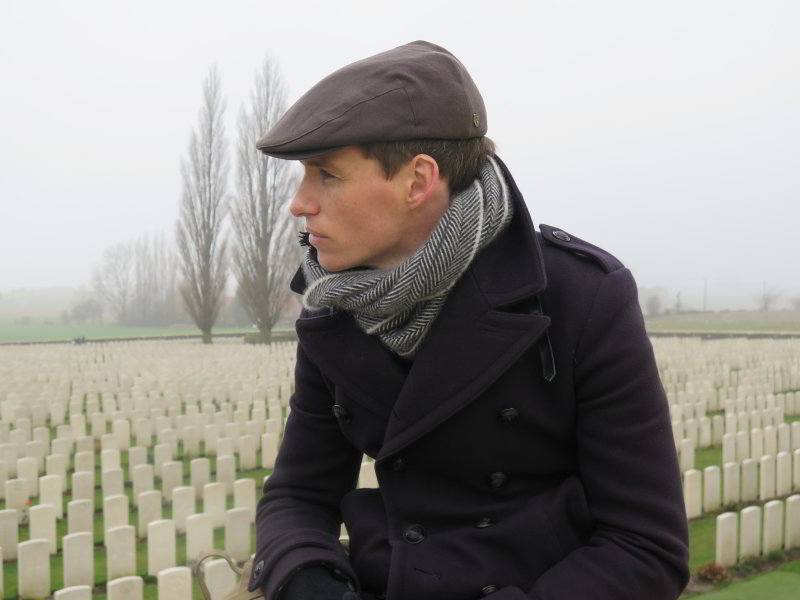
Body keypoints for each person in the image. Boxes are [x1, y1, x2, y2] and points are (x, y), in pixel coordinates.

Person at [248, 40, 689, 600]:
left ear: (417, 181)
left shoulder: (583, 297)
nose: (300, 203)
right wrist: (312, 583)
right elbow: (298, 494)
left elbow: (644, 544)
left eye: (327, 175)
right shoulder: (335, 303)